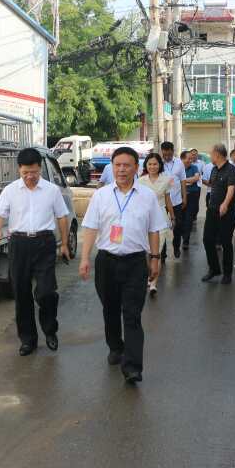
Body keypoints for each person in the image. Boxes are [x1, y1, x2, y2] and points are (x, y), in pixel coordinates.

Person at [79, 147, 167, 384]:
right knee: (110, 310)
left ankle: (133, 367)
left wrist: (155, 258)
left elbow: (154, 229)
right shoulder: (101, 195)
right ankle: (115, 346)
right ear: (112, 167)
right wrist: (85, 258)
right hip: (106, 261)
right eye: (117, 165)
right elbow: (90, 227)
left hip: (135, 262)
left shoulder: (147, 196)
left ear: (136, 168)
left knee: (132, 314)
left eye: (127, 165)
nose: (121, 170)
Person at [0, 148, 71, 356]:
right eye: (25, 172)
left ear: (40, 168)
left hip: (44, 243)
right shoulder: (10, 190)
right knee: (21, 293)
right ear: (19, 169)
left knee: (46, 292)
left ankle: (50, 331)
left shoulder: (52, 190)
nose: (29, 176)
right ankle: (28, 340)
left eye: (33, 172)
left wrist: (64, 244)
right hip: (19, 244)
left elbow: (62, 216)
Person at [201, 143, 235, 285]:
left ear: (217, 155)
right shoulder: (214, 169)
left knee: (225, 242)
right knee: (207, 239)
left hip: (226, 211)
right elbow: (213, 186)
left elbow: (231, 188)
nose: (210, 156)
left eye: (211, 154)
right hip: (212, 210)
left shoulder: (231, 169)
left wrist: (225, 203)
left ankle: (227, 273)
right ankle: (214, 269)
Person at [138, 153, 176, 297]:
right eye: (150, 164)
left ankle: (153, 283)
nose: (152, 166)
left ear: (159, 165)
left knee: (157, 252)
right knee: (147, 252)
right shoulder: (140, 181)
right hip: (144, 219)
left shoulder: (166, 180)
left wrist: (172, 216)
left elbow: (168, 200)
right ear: (146, 165)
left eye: (155, 164)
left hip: (161, 218)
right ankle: (149, 276)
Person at [160, 141, 187, 258]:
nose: (167, 157)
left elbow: (183, 180)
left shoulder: (179, 163)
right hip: (162, 202)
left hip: (176, 200)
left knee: (178, 226)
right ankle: (162, 252)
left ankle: (176, 246)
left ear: (173, 151)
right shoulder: (158, 163)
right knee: (162, 227)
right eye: (164, 154)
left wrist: (184, 197)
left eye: (169, 154)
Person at [181, 150, 201, 250]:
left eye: (191, 158)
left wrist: (182, 181)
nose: (190, 160)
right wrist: (188, 181)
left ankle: (186, 240)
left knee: (189, 218)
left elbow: (196, 178)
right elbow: (173, 181)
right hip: (180, 196)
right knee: (181, 218)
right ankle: (182, 235)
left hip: (192, 195)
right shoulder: (179, 168)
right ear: (182, 159)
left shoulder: (194, 167)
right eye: (188, 158)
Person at [189, 148, 204, 226]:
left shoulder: (201, 163)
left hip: (197, 185)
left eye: (195, 154)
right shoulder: (187, 162)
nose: (194, 156)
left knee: (195, 202)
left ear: (197, 155)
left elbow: (203, 173)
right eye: (192, 154)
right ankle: (189, 216)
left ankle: (194, 216)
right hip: (187, 185)